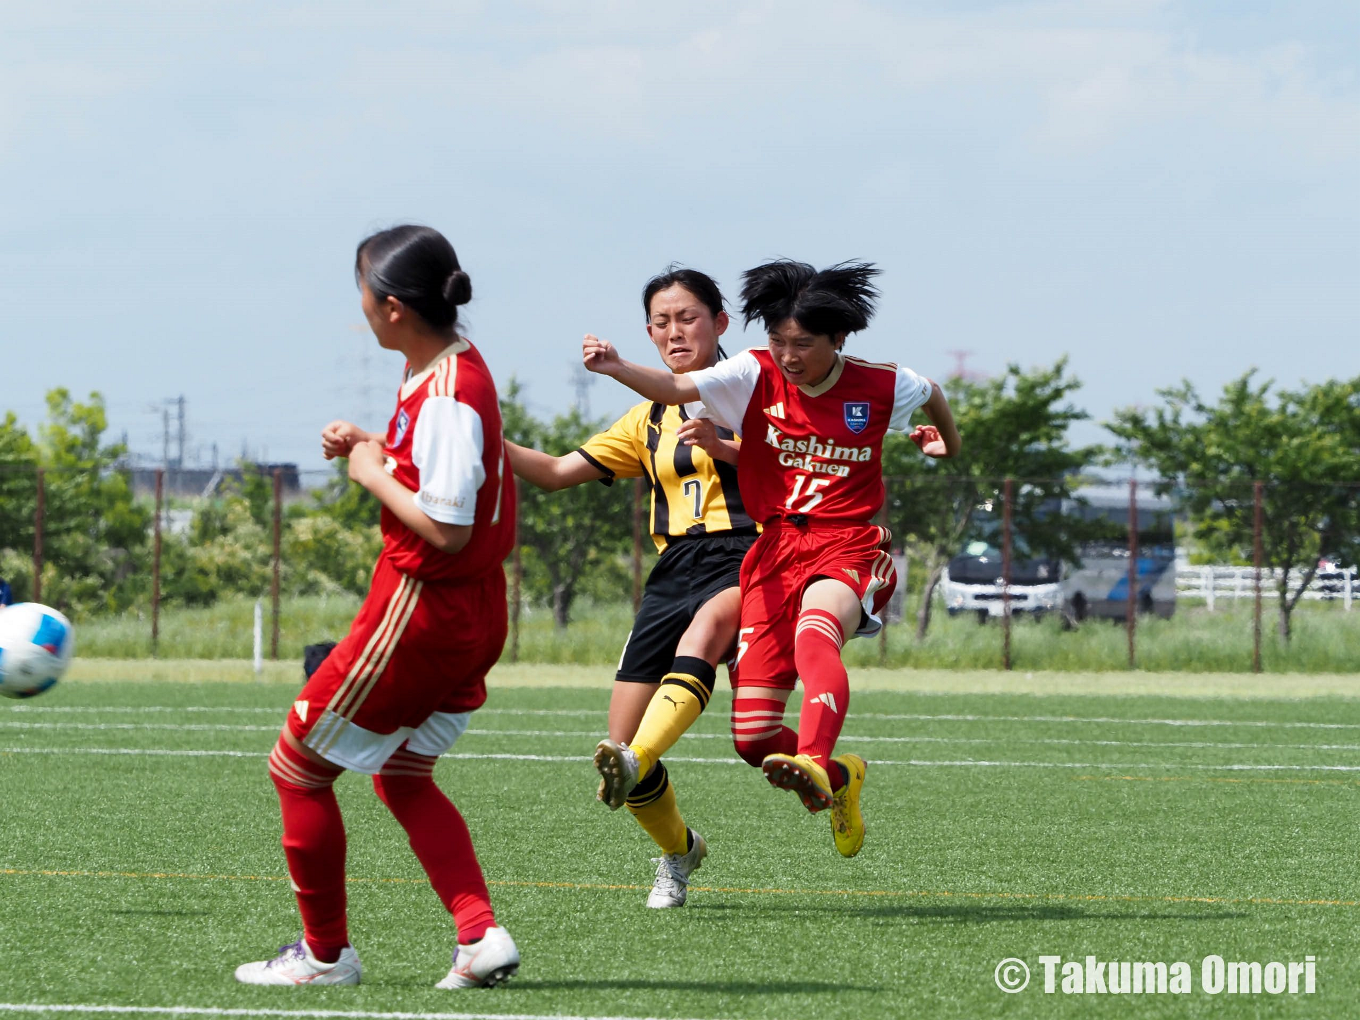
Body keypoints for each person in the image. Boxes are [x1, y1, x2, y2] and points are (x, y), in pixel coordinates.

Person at [582, 259, 961, 858]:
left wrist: (946, 439)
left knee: (818, 633)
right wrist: (616, 368)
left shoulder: (883, 385)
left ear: (839, 339)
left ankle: (811, 756)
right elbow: (676, 387)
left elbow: (934, 392)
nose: (788, 355)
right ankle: (840, 777)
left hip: (847, 542)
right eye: (778, 340)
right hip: (776, 551)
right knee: (754, 736)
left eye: (802, 344)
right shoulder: (752, 371)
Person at [235, 225, 520, 988]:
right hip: (469, 612)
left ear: (391, 307)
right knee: (401, 771)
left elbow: (449, 528)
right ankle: (479, 935)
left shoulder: (449, 394)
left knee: (296, 770)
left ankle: (326, 956)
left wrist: (368, 473)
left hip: (423, 611)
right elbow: (442, 479)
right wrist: (375, 446)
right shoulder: (446, 371)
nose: (357, 307)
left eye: (361, 292)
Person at [506, 267, 755, 908]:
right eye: (662, 322)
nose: (675, 331)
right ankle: (679, 851)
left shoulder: (757, 385)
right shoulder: (646, 420)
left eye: (689, 317)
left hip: (750, 554)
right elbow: (558, 472)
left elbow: (805, 454)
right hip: (673, 572)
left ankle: (647, 754)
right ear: (649, 332)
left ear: (721, 323)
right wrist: (480, 434)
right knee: (615, 748)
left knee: (708, 634)